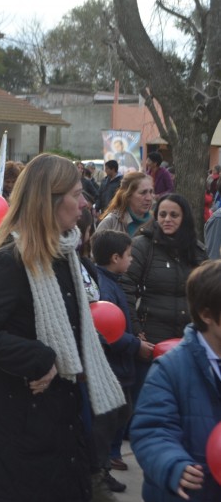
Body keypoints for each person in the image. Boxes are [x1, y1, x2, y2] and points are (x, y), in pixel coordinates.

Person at [0, 153, 125, 501]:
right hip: (17, 432)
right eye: (76, 194)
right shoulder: (9, 261)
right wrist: (39, 357)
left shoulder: (65, 255)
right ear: (49, 200)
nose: (84, 202)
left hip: (58, 426)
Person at [130, 260, 221, 502]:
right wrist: (173, 465)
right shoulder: (170, 369)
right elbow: (152, 430)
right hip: (193, 493)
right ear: (207, 315)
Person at [120, 193, 207, 398]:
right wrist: (137, 332)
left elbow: (207, 293)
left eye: (174, 215)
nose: (167, 219)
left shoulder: (197, 251)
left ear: (184, 218)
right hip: (151, 344)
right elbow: (126, 287)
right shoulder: (143, 245)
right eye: (163, 214)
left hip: (188, 343)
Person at [90, 229, 149, 493]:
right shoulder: (105, 286)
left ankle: (106, 464)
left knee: (120, 417)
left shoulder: (112, 281)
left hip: (119, 367)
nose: (132, 261)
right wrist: (136, 346)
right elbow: (108, 332)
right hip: (112, 369)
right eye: (128, 256)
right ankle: (99, 473)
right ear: (115, 257)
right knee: (106, 425)